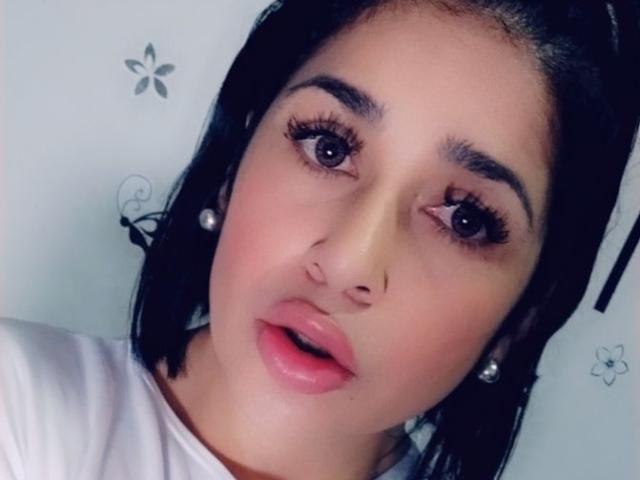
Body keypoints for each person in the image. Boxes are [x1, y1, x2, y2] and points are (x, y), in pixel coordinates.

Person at [2, 1, 639, 479]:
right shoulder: (20, 409)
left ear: (523, 318)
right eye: (328, 147)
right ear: (231, 167)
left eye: (464, 219)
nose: (347, 262)